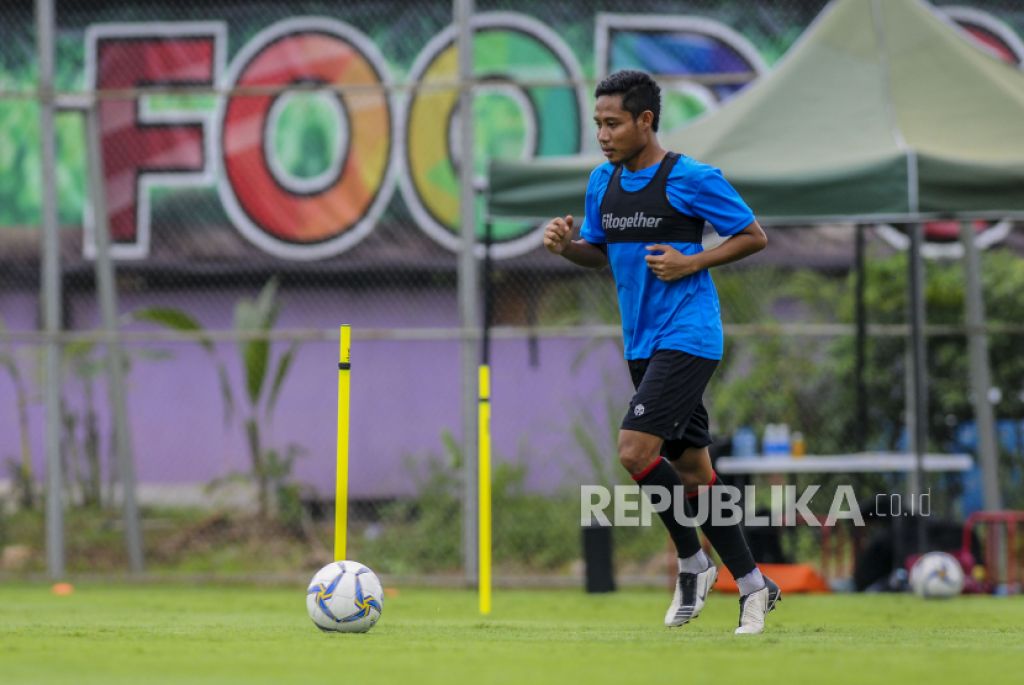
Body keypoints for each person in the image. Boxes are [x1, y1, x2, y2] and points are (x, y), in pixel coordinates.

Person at [543, 70, 779, 634]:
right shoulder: (602, 182)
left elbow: (753, 235)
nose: (602, 134)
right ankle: (752, 584)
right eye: (597, 123)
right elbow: (599, 253)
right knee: (694, 472)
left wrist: (691, 261)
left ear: (645, 120)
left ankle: (693, 562)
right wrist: (565, 247)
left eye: (613, 123)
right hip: (641, 342)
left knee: (633, 449)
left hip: (689, 335)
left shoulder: (692, 177)